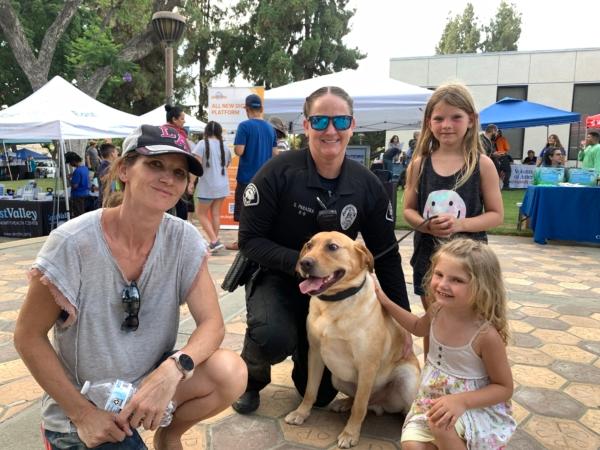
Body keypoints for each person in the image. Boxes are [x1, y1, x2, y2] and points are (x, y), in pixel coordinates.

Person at [14, 124, 246, 450]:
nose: (168, 178)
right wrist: (81, 414)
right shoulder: (71, 243)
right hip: (85, 401)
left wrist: (173, 370)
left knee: (230, 371)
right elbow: (27, 335)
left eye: (179, 173)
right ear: (124, 169)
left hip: (148, 383)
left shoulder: (184, 239)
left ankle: (169, 434)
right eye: (155, 165)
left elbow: (212, 325)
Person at [231, 86, 412, 415]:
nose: (331, 130)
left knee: (324, 394)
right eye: (320, 121)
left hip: (333, 289)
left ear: (352, 125)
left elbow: (386, 257)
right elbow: (249, 240)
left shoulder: (367, 185)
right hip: (278, 275)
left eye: (340, 120)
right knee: (272, 336)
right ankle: (251, 380)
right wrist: (301, 264)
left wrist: (404, 322)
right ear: (305, 125)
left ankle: (306, 344)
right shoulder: (277, 173)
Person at [376, 238, 516, 449]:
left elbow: (504, 388)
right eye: (439, 274)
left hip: (472, 407)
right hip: (432, 401)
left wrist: (461, 402)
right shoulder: (437, 310)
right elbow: (416, 326)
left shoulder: (485, 335)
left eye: (456, 280)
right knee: (411, 445)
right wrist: (385, 301)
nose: (442, 284)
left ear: (481, 286)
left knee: (441, 426)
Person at [403, 83, 503, 355]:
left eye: (456, 117)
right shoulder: (418, 165)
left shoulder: (481, 164)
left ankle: (470, 378)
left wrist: (460, 224)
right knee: (433, 320)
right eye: (439, 118)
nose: (446, 125)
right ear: (429, 122)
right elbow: (408, 210)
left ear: (471, 119)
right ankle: (431, 377)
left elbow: (496, 215)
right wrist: (425, 224)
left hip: (471, 263)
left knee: (473, 322)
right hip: (429, 260)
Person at [227, 94, 278, 250]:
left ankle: (242, 242)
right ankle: (260, 240)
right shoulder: (271, 128)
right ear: (261, 109)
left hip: (246, 177)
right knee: (261, 211)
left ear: (247, 109)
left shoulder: (244, 126)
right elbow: (275, 154)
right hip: (264, 178)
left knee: (244, 211)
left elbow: (240, 151)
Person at [192, 121, 232, 253]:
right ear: (219, 132)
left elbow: (195, 167)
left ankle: (214, 242)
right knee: (215, 213)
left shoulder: (202, 144)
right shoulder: (224, 147)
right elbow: (226, 165)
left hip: (208, 185)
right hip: (222, 185)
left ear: (206, 131)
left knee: (200, 213)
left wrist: (191, 183)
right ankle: (214, 241)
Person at [164, 104, 196, 220]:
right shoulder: (179, 136)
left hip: (163, 175)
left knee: (164, 203)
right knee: (181, 204)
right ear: (174, 119)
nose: (184, 121)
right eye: (182, 118)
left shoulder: (160, 132)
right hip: (178, 173)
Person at [65, 151, 90, 218]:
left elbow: (75, 186)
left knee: (78, 215)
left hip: (78, 196)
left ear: (73, 161)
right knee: (83, 214)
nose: (70, 164)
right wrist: (72, 175)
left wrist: (68, 179)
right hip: (86, 194)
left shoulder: (77, 171)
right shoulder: (85, 168)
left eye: (70, 162)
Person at [97, 143, 119, 207]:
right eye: (116, 152)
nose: (117, 154)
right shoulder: (107, 167)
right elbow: (112, 184)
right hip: (108, 201)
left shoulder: (105, 166)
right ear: (112, 154)